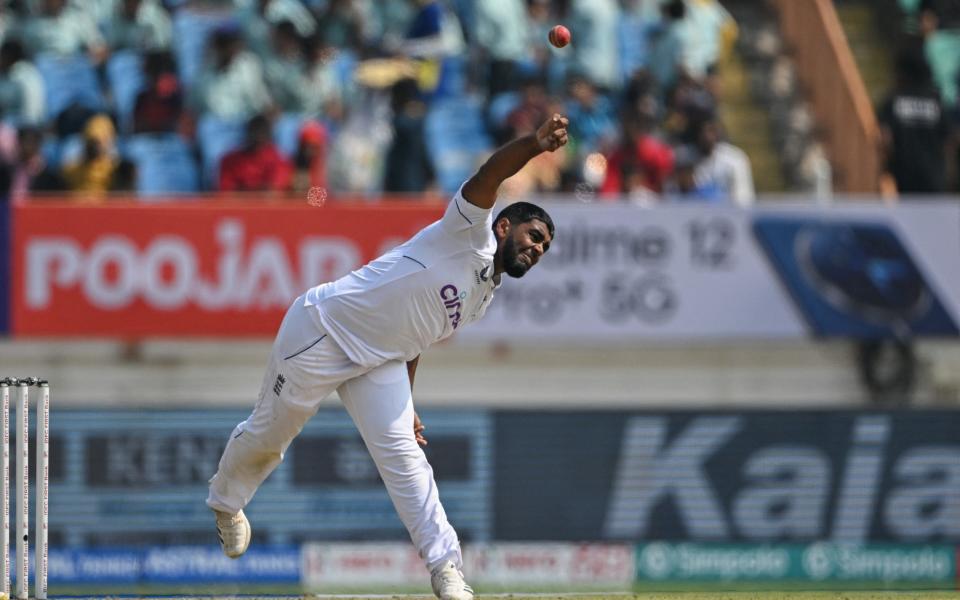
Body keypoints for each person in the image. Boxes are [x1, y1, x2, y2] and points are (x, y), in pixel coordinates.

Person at [206, 114, 569, 600]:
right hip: (325, 330)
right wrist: (533, 144)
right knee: (270, 435)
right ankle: (226, 503)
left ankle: (447, 571)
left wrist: (410, 400)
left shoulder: (484, 299)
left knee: (407, 458)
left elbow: (416, 335)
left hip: (380, 361)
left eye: (544, 246)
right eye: (533, 235)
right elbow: (489, 175)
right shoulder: (469, 232)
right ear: (505, 225)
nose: (537, 248)